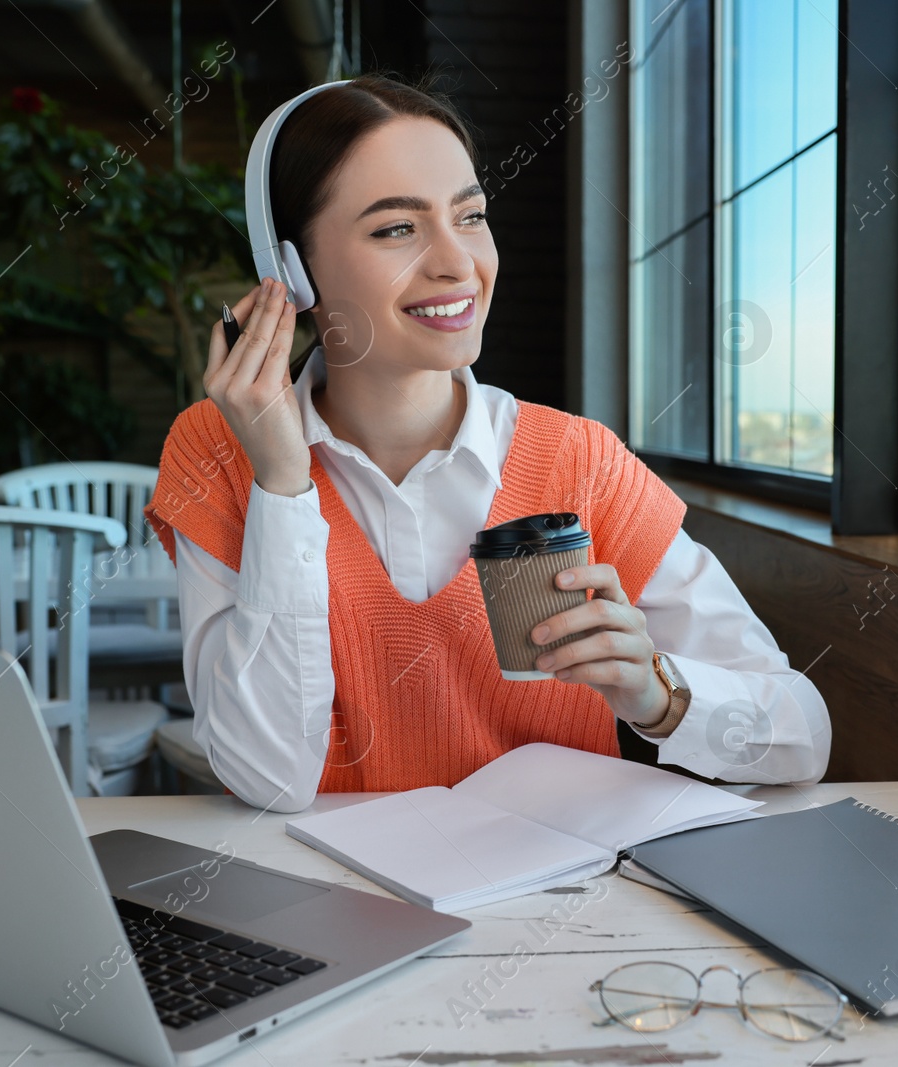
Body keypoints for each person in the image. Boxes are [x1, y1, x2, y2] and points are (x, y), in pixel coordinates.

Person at [144, 73, 830, 813]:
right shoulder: (218, 451)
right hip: (325, 904)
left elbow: (802, 739)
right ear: (291, 272)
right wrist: (281, 479)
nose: (456, 263)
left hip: (566, 909)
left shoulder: (580, 460)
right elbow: (267, 777)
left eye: (470, 217)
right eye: (396, 228)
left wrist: (656, 691)